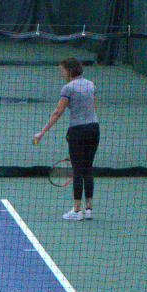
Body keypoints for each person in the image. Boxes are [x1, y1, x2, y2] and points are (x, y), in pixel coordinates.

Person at [31, 58, 100, 221]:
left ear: (69, 71)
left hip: (78, 132)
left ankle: (76, 211)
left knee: (77, 171)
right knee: (88, 169)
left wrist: (41, 132)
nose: (61, 73)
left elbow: (57, 112)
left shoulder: (68, 88)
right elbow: (94, 107)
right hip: (94, 129)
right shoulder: (90, 84)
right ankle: (88, 209)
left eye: (62, 70)